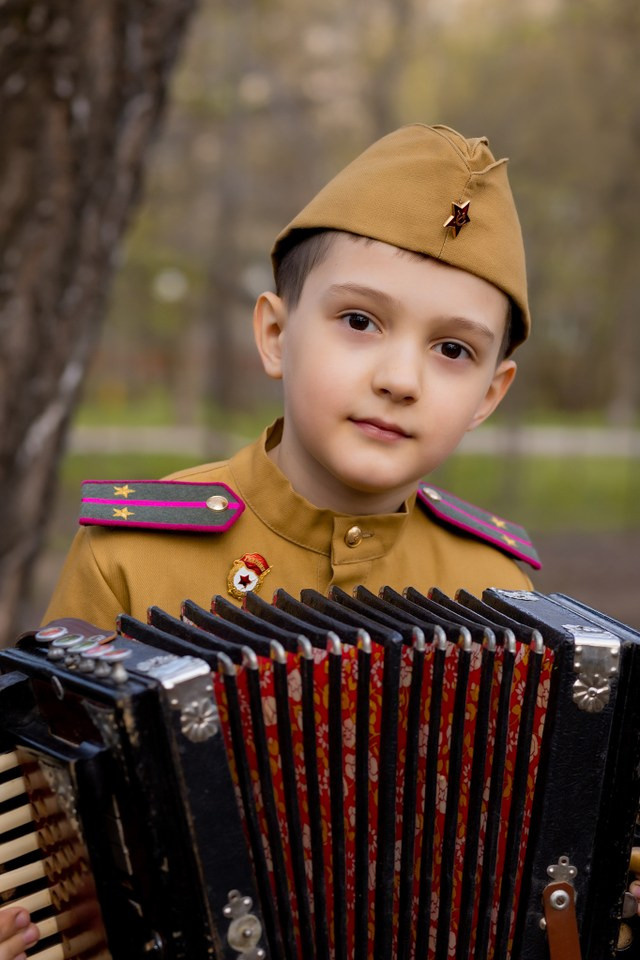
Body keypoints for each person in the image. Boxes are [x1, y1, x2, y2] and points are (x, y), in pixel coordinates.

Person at [1, 123, 548, 957]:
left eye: (451, 349)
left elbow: (538, 848)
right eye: (360, 321)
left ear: (489, 394)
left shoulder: (500, 588)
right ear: (273, 333)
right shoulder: (133, 553)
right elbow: (50, 822)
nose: (399, 379)